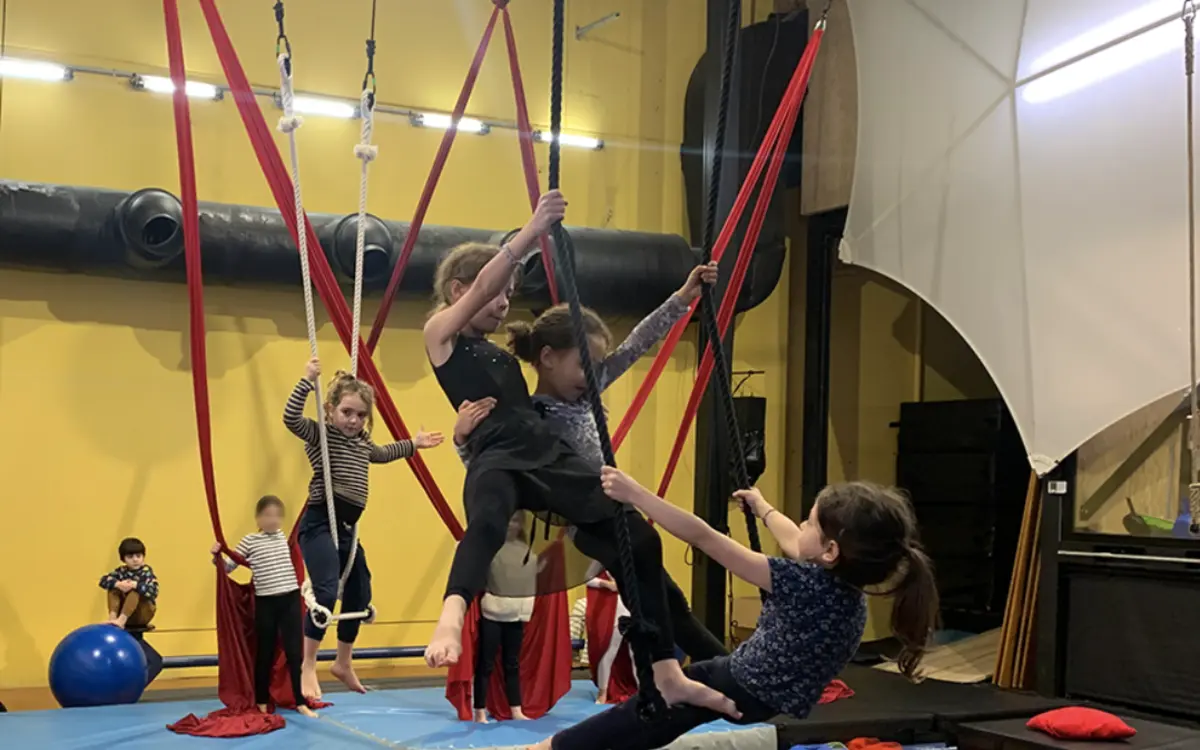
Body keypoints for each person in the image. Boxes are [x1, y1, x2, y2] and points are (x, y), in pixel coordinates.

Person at [423, 190, 737, 717]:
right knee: (486, 520)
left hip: (545, 457)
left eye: (509, 296)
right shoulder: (440, 335)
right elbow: (485, 282)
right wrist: (532, 231)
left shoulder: (506, 361)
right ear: (459, 292)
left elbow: (631, 347)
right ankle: (452, 613)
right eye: (500, 295)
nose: (504, 304)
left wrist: (682, 298)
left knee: (635, 534)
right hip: (496, 457)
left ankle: (667, 670)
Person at [529, 470, 940, 750]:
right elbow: (797, 543)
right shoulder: (849, 591)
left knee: (656, 702)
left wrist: (634, 494)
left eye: (811, 522)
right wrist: (762, 508)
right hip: (765, 695)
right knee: (663, 718)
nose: (801, 525)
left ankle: (553, 746)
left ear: (832, 551)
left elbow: (706, 538)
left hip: (738, 683)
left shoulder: (804, 584)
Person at [451, 270, 729, 668]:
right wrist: (462, 440)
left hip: (608, 510)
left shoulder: (588, 389)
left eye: (597, 366)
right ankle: (670, 665)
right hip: (588, 522)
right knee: (647, 581)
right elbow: (491, 467)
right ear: (546, 358)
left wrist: (684, 296)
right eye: (585, 365)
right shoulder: (530, 417)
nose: (592, 376)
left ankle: (724, 669)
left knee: (669, 601)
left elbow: (638, 343)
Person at [284, 358, 445, 700]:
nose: (354, 420)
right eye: (347, 412)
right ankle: (308, 665)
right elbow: (291, 419)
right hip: (318, 524)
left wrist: (413, 444)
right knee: (326, 591)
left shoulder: (362, 443)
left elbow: (384, 453)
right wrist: (305, 381)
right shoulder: (322, 434)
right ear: (330, 410)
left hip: (346, 530)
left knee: (360, 591)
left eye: (360, 415)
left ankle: (343, 662)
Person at [211, 495, 315, 718]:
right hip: (266, 603)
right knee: (265, 653)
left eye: (277, 516)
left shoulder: (283, 539)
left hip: (290, 600)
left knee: (294, 654)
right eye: (268, 515)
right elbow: (228, 567)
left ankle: (299, 700)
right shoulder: (250, 541)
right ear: (258, 518)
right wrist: (217, 555)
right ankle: (261, 701)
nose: (273, 520)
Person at [474, 511, 539, 723]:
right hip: (493, 611)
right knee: (486, 663)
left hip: (517, 612)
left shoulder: (528, 551)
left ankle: (516, 709)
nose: (513, 525)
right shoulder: (492, 547)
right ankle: (479, 710)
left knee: (512, 663)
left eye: (517, 521)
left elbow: (532, 578)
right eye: (510, 520)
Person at [586, 572, 634, 704]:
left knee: (636, 654)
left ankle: (643, 690)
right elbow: (586, 578)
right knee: (609, 652)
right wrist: (606, 584)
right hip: (614, 611)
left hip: (633, 609)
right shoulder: (602, 560)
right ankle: (603, 692)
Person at [99, 537, 159, 631]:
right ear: (123, 559)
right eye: (130, 557)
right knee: (113, 588)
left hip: (142, 613)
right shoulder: (121, 571)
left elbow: (154, 591)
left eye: (138, 556)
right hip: (125, 613)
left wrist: (136, 585)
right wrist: (118, 584)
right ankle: (113, 618)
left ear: (143, 557)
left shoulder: (146, 572)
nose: (135, 560)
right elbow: (103, 581)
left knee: (135, 592)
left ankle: (121, 620)